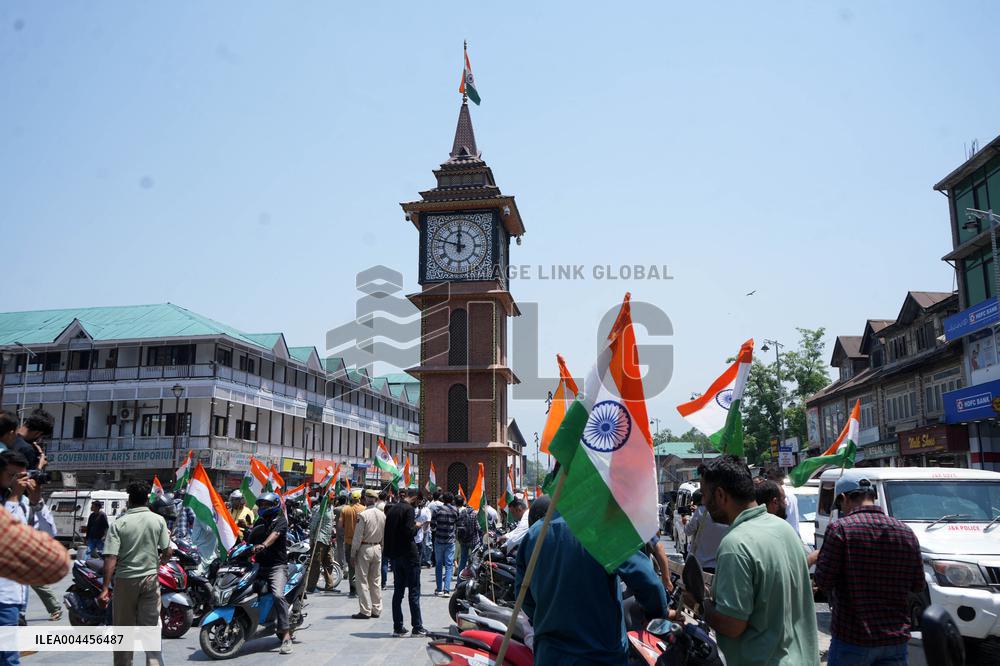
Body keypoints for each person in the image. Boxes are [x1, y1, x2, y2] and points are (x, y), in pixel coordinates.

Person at [515, 495, 668, 665]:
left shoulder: (534, 534)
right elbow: (649, 582)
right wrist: (657, 616)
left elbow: (525, 600)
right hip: (600, 656)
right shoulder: (603, 528)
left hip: (550, 656)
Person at [699, 455, 818, 666]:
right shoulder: (785, 530)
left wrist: (704, 607)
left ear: (720, 495)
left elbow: (733, 624)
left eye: (705, 494)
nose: (703, 502)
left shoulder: (735, 546)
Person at [815, 474, 925, 666]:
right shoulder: (905, 532)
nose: (841, 510)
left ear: (844, 498)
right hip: (894, 639)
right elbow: (917, 585)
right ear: (872, 496)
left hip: (853, 639)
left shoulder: (840, 529)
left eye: (839, 505)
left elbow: (823, 581)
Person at [98, 480, 170, 666]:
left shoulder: (119, 523)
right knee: (151, 631)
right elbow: (167, 550)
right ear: (147, 499)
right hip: (150, 580)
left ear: (129, 500)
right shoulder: (158, 520)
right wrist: (162, 561)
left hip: (125, 581)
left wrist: (105, 588)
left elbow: (111, 558)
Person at [244, 493, 293, 654]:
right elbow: (250, 538)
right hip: (258, 565)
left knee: (278, 595)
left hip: (276, 567)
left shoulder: (280, 521)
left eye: (266, 505)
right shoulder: (259, 522)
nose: (263, 507)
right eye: (261, 505)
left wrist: (264, 545)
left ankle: (286, 636)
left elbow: (275, 536)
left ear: (274, 505)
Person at [383, 487, 426, 637]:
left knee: (398, 592)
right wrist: (417, 526)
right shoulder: (408, 510)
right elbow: (409, 532)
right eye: (418, 501)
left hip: (396, 555)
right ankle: (417, 627)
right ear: (415, 498)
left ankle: (398, 627)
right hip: (409, 554)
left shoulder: (393, 509)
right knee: (414, 591)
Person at [350, 489, 386, 620]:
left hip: (365, 548)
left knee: (362, 580)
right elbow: (384, 536)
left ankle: (365, 610)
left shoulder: (363, 515)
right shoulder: (382, 515)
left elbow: (357, 537)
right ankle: (376, 609)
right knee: (376, 580)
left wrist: (353, 554)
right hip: (377, 547)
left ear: (365, 499)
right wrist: (381, 548)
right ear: (375, 500)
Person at [684, 488, 728, 574]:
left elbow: (688, 531)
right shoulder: (725, 510)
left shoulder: (701, 511)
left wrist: (686, 521)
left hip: (700, 564)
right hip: (720, 564)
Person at [306, 493, 336, 593]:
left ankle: (330, 586)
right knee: (315, 564)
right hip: (320, 539)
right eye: (331, 498)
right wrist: (311, 540)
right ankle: (311, 587)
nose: (333, 500)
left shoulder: (330, 508)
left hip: (328, 540)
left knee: (329, 563)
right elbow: (313, 525)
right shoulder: (320, 509)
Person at [430, 491, 457, 596]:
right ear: (452, 500)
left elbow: (432, 525)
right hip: (450, 541)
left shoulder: (437, 510)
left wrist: (437, 529)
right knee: (449, 565)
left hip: (439, 540)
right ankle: (447, 590)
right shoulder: (455, 510)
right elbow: (458, 524)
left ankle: (439, 589)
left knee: (439, 565)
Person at [339, 490, 363, 598]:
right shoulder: (364, 509)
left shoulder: (345, 509)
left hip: (348, 541)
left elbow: (340, 525)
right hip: (361, 542)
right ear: (359, 499)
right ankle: (360, 589)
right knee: (360, 566)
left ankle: (352, 590)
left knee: (351, 565)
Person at [765, 467, 800, 538]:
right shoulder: (790, 493)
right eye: (767, 477)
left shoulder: (782, 494)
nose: (768, 480)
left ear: (780, 479)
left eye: (771, 478)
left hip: (786, 535)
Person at [454, 495, 480, 576]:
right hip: (473, 541)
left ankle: (459, 581)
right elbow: (478, 527)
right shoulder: (473, 514)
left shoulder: (460, 514)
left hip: (463, 540)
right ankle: (473, 578)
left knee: (462, 561)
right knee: (474, 560)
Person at [416, 495, 433, 567]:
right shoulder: (416, 509)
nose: (421, 502)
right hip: (417, 531)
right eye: (420, 501)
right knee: (419, 546)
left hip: (425, 531)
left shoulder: (427, 510)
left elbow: (428, 521)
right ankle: (420, 560)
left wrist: (424, 530)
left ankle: (427, 560)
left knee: (427, 545)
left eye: (423, 501)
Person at [332, 494, 348, 569]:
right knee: (347, 548)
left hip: (339, 531)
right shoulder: (349, 508)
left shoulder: (336, 509)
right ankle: (346, 565)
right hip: (348, 531)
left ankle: (341, 564)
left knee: (340, 548)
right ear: (346, 501)